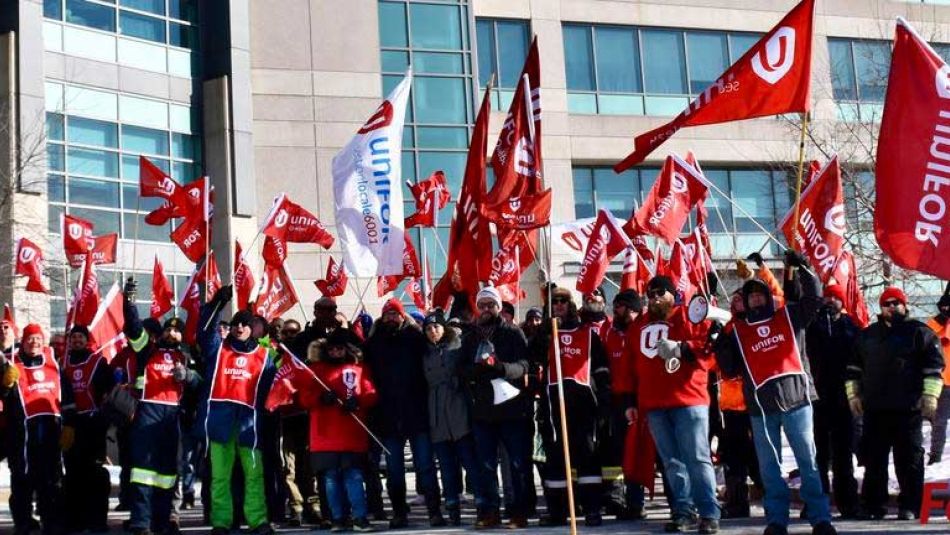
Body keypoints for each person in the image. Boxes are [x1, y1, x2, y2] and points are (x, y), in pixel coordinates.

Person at [716, 250, 835, 535]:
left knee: (808, 462)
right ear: (745, 302)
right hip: (760, 408)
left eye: (760, 294)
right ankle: (776, 520)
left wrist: (803, 268)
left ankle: (820, 518)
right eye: (751, 296)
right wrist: (719, 338)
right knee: (770, 470)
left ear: (769, 296)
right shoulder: (737, 331)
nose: (756, 299)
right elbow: (729, 369)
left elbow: (813, 299)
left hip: (797, 402)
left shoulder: (789, 316)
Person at [628, 276, 719, 534]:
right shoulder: (639, 325)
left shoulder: (689, 316)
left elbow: (708, 350)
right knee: (672, 462)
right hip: (654, 404)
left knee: (698, 458)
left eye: (661, 292)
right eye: (651, 293)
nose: (655, 298)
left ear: (672, 294)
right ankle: (683, 510)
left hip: (689, 400)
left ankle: (709, 512)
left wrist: (682, 348)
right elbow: (629, 366)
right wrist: (629, 400)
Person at [847, 286, 945, 520]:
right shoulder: (867, 335)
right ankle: (873, 505)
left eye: (896, 303)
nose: (892, 307)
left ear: (905, 305)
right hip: (875, 410)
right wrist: (853, 396)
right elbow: (853, 369)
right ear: (881, 308)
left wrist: (930, 396)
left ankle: (910, 506)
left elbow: (934, 368)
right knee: (874, 461)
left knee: (909, 461)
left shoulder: (920, 332)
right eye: (887, 304)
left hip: (908, 410)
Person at [121, 278, 201, 535]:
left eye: (178, 330)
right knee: (143, 471)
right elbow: (133, 328)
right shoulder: (148, 349)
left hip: (173, 416)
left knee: (168, 472)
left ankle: (163, 520)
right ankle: (141, 522)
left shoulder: (187, 356)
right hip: (148, 411)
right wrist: (130, 301)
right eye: (169, 328)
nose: (173, 333)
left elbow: (201, 383)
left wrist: (187, 376)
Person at [198, 285, 277, 535]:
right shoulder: (218, 349)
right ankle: (221, 522)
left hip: (249, 426)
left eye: (244, 324)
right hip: (220, 423)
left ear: (251, 328)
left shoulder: (265, 356)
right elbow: (204, 330)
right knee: (220, 477)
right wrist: (216, 303)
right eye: (235, 324)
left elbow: (272, 391)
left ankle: (257, 521)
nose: (239, 328)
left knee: (254, 476)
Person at [531, 286, 610, 527]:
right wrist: (544, 332)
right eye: (554, 302)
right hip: (554, 405)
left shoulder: (587, 333)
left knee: (587, 457)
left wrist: (604, 397)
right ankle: (558, 511)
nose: (559, 305)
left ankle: (592, 509)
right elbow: (532, 359)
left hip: (584, 405)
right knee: (556, 459)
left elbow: (601, 369)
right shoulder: (546, 334)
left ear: (571, 305)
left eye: (563, 301)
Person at [363, 298, 443, 528]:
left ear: (402, 316)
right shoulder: (374, 343)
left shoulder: (416, 338)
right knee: (394, 470)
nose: (391, 318)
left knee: (425, 467)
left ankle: (434, 510)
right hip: (388, 417)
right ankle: (399, 513)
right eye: (387, 314)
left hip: (417, 414)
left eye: (394, 314)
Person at [460, 286, 534, 529]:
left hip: (511, 408)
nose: (486, 309)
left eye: (490, 305)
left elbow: (525, 365)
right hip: (482, 410)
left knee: (515, 464)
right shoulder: (470, 336)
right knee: (485, 465)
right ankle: (489, 511)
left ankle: (518, 512)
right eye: (482, 305)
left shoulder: (513, 333)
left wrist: (502, 368)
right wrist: (477, 369)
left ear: (499, 308)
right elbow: (460, 370)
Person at [296, 328, 378, 532]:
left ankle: (359, 518)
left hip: (352, 434)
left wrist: (357, 401)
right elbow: (304, 398)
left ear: (347, 349)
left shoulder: (359, 369)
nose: (335, 353)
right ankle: (338, 519)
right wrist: (320, 398)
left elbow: (371, 394)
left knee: (354, 477)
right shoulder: (315, 371)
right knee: (331, 479)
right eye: (331, 349)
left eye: (339, 349)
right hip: (324, 436)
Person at [2, 324, 64, 535]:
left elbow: (68, 394)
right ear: (23, 341)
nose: (34, 343)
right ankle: (23, 521)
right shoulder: (11, 362)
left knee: (50, 479)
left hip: (50, 431)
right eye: (30, 339)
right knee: (22, 479)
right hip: (21, 433)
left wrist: (70, 424)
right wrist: (4, 385)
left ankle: (51, 520)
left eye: (38, 338)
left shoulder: (53, 362)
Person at [806, 284, 860, 518]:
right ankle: (817, 503)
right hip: (817, 398)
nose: (829, 302)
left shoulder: (851, 328)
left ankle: (847, 502)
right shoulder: (813, 326)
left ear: (842, 302)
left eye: (834, 298)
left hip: (843, 399)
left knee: (843, 454)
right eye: (826, 298)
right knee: (817, 454)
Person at [422, 309, 477, 526]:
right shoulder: (424, 353)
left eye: (436, 326)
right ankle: (452, 506)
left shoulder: (457, 346)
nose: (432, 331)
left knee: (470, 462)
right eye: (428, 328)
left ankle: (484, 503)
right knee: (446, 466)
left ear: (444, 328)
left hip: (458, 410)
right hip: (436, 414)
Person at [60, 324, 115, 533]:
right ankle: (75, 520)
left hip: (93, 425)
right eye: (73, 337)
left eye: (81, 337)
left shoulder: (98, 362)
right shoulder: (62, 364)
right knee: (73, 474)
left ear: (87, 339)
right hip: (71, 426)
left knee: (95, 475)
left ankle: (97, 520)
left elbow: (110, 393)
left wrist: (103, 419)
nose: (76, 340)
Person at [599, 289, 648, 520]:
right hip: (618, 401)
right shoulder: (609, 333)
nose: (615, 310)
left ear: (632, 309)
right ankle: (624, 501)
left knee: (643, 452)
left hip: (646, 399)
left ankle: (649, 501)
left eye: (619, 306)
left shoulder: (642, 331)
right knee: (622, 452)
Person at [716, 290, 761, 519]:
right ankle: (737, 503)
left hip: (755, 405)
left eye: (741, 298)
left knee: (758, 456)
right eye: (733, 299)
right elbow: (723, 365)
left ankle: (772, 497)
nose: (736, 301)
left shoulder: (756, 324)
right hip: (731, 406)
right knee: (733, 458)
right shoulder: (726, 329)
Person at [926, 284, 950, 464]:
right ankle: (935, 456)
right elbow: (926, 338)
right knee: (939, 423)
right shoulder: (935, 324)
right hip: (942, 383)